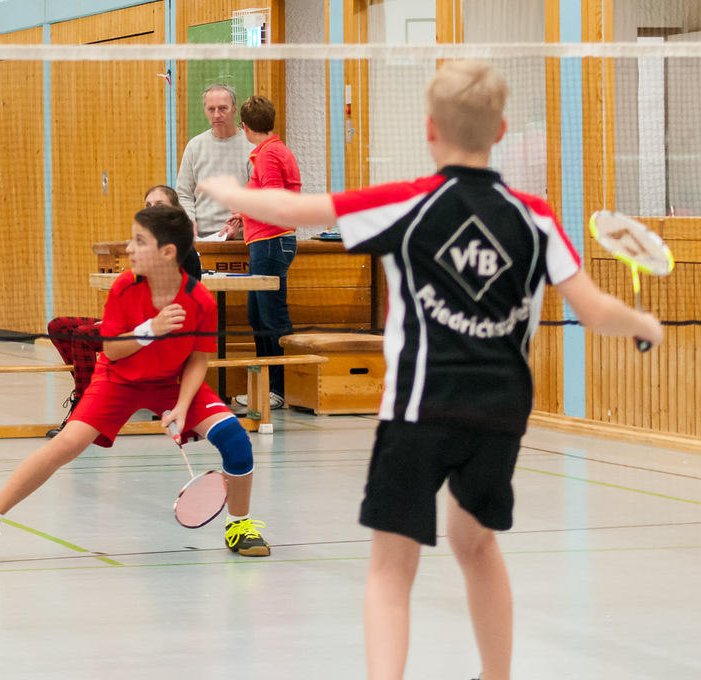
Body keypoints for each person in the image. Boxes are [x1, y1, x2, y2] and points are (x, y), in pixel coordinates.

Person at [198, 60, 663, 680]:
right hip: (499, 413)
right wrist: (643, 323)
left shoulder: (408, 201)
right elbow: (595, 310)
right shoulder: (535, 216)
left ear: (429, 130)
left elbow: (300, 209)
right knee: (477, 544)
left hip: (419, 408)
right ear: (500, 131)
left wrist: (230, 193)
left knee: (391, 568)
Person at [0, 205, 270, 565]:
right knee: (67, 444)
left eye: (139, 241)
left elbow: (198, 359)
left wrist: (183, 406)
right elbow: (112, 349)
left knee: (235, 439)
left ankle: (239, 524)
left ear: (167, 252)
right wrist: (151, 329)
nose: (129, 248)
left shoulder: (200, 300)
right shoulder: (125, 287)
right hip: (119, 378)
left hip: (171, 380)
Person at [45, 185, 202, 438]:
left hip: (161, 332)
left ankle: (85, 412)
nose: (152, 210)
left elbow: (175, 308)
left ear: (175, 210)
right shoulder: (147, 249)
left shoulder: (182, 252)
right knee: (59, 326)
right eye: (148, 206)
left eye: (159, 205)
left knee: (84, 335)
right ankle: (96, 394)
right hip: (136, 324)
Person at [217, 95, 301, 410]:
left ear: (244, 126)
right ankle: (266, 386)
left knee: (271, 316)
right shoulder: (271, 151)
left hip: (271, 242)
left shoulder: (268, 155)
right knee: (257, 315)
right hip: (264, 242)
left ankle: (279, 388)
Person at [176, 84, 252, 237]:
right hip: (202, 237)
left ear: (234, 109)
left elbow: (259, 196)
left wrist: (241, 223)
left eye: (223, 108)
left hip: (242, 237)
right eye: (211, 109)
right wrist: (190, 222)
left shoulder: (251, 146)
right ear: (205, 111)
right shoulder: (194, 146)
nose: (217, 115)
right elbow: (184, 194)